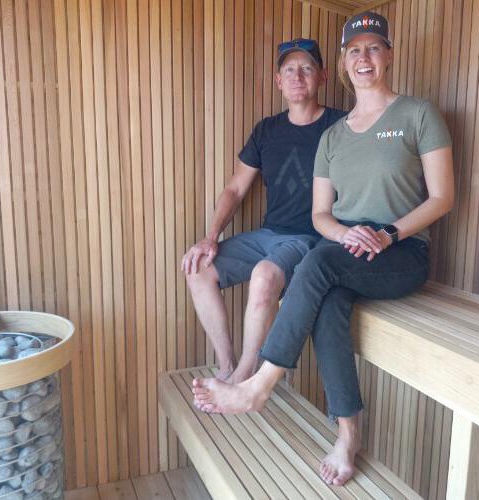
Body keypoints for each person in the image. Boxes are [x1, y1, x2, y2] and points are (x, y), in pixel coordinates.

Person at [192, 10, 454, 487]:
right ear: (344, 61)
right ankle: (349, 435)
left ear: (389, 55)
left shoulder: (417, 114)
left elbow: (442, 198)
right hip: (346, 250)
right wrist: (345, 235)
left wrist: (388, 234)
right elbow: (320, 215)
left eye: (374, 47)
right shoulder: (334, 135)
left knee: (316, 265)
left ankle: (258, 386)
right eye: (355, 50)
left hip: (400, 252)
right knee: (328, 302)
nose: (364, 57)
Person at [181, 39, 346, 384]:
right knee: (197, 267)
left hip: (310, 237)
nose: (297, 76)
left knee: (264, 276)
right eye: (289, 69)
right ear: (278, 80)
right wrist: (210, 238)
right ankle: (227, 365)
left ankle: (244, 377)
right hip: (268, 234)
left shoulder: (341, 126)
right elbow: (235, 188)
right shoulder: (266, 130)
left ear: (323, 76)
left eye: (306, 68)